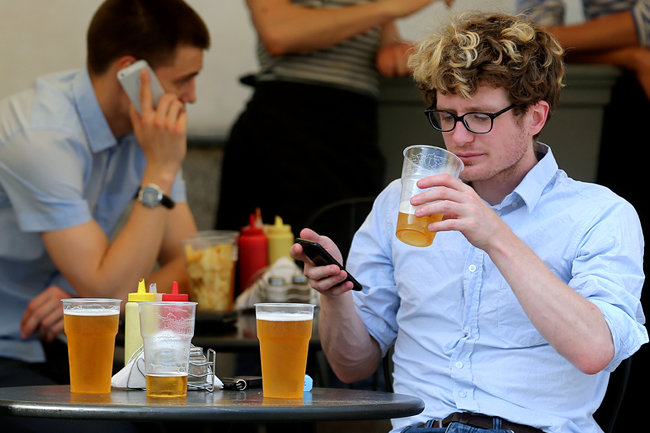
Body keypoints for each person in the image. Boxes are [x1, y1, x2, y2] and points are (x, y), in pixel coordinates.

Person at [291, 11, 647, 433]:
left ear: (534, 117)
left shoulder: (599, 213)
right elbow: (352, 366)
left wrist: (495, 235)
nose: (458, 137)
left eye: (481, 117)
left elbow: (594, 351)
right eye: (447, 116)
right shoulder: (400, 202)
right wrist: (335, 296)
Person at [0, 0, 209, 426]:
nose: (192, 96)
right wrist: (160, 171)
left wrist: (88, 298)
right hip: (9, 342)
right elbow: (110, 286)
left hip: (72, 342)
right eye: (183, 80)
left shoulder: (148, 133)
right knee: (111, 427)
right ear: (131, 73)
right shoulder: (40, 137)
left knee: (191, 417)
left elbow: (193, 266)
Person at [215, 0, 454, 241]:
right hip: (283, 124)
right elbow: (278, 33)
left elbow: (384, 51)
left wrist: (407, 53)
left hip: (353, 129)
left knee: (348, 249)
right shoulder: (385, 5)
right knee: (274, 253)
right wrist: (392, 6)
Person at [516, 1, 650, 429]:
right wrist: (629, 53)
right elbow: (530, 42)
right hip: (631, 91)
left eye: (478, 117)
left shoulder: (600, 211)